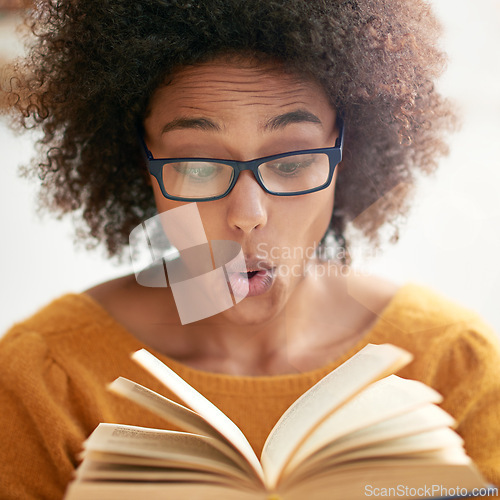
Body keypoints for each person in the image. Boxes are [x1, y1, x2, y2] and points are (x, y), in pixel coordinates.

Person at [1, 0, 499, 498]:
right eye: (197, 165)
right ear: (142, 162)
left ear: (347, 151)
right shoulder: (43, 379)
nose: (248, 213)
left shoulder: (453, 362)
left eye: (292, 160)